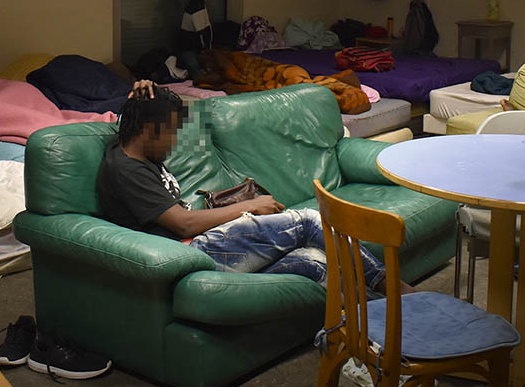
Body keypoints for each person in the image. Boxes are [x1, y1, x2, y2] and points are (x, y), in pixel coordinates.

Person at [95, 81, 387, 296]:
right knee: (308, 220)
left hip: (203, 245)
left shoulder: (136, 147)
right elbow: (183, 224)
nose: (173, 142)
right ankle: (395, 288)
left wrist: (144, 89)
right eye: (170, 133)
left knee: (315, 263)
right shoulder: (127, 170)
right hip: (193, 252)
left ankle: (393, 321)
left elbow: (134, 115)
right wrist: (247, 206)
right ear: (148, 130)